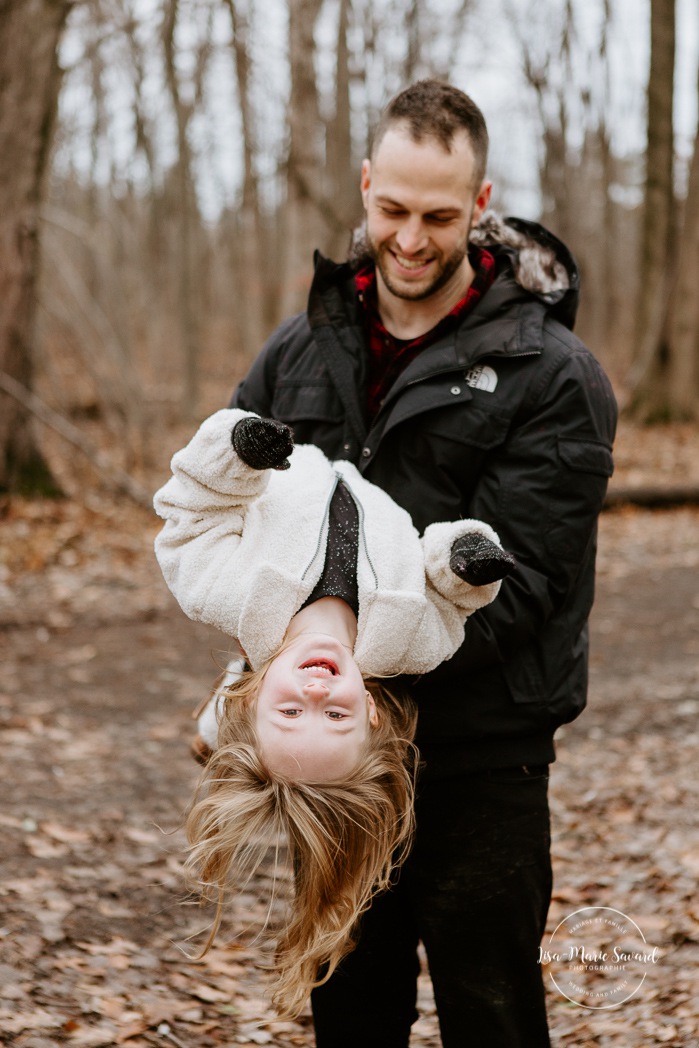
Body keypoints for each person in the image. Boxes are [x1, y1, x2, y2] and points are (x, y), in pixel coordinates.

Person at [227, 80, 618, 1047]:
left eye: (439, 216)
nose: (410, 237)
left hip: (482, 762)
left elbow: (521, 588)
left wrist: (326, 651)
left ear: (480, 205)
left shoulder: (554, 377)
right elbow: (236, 516)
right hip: (338, 765)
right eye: (391, 209)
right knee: (351, 1019)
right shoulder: (299, 352)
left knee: (492, 1017)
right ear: (365, 187)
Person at [153, 406, 513, 1016]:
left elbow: (191, 517)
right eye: (337, 718)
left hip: (285, 458)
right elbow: (449, 596)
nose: (316, 698)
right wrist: (466, 564)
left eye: (290, 713)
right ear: (371, 711)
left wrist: (238, 454)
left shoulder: (223, 594)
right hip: (363, 479)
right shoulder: (413, 644)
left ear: (252, 696)